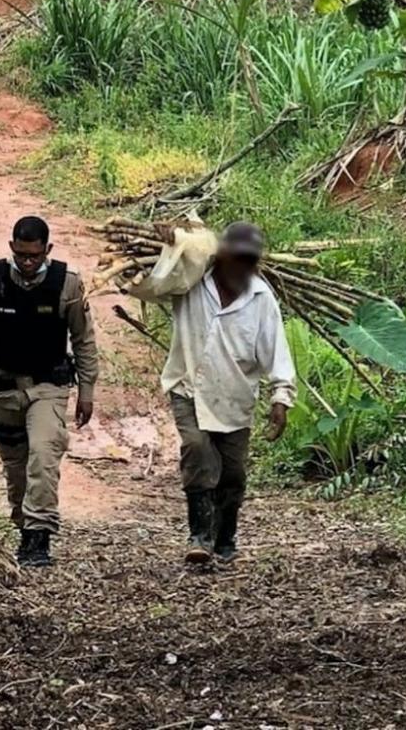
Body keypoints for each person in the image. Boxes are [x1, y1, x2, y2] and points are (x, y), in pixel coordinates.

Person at [132, 221, 295, 565]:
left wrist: (281, 399)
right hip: (187, 386)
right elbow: (147, 286)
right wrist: (169, 249)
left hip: (235, 397)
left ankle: (225, 537)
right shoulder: (190, 282)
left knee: (232, 475)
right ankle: (199, 536)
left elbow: (276, 352)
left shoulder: (262, 300)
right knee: (197, 452)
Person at [0, 216, 98, 567]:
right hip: (4, 388)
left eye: (34, 256)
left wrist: (87, 389)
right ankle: (24, 527)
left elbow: (84, 338)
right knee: (16, 466)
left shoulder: (67, 284)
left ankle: (39, 538)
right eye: (21, 255)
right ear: (12, 248)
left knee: (44, 454)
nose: (27, 262)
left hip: (48, 386)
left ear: (47, 250)